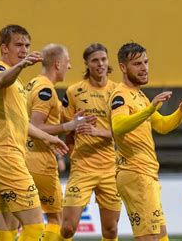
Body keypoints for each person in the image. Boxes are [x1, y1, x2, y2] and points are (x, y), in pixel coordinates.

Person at [0, 24, 68, 241]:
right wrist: (20, 65)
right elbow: (0, 80)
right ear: (4, 48)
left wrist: (50, 138)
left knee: (6, 230)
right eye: (18, 45)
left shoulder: (17, 84)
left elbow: (21, 123)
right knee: (35, 225)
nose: (24, 49)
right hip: (6, 158)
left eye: (27, 45)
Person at [110, 42, 182, 241]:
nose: (144, 68)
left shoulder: (139, 96)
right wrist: (150, 108)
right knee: (149, 237)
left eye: (146, 62)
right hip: (136, 174)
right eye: (137, 64)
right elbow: (118, 126)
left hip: (147, 174)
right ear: (123, 67)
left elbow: (162, 126)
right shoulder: (121, 95)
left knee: (161, 237)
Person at [25, 44, 94, 241]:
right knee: (58, 220)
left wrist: (66, 121)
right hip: (39, 163)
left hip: (24, 159)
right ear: (57, 64)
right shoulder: (46, 90)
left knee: (27, 222)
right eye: (67, 62)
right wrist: (70, 125)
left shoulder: (32, 84)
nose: (69, 66)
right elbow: (35, 126)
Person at [60, 43, 121, 241]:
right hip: (82, 168)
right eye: (95, 60)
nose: (100, 64)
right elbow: (67, 128)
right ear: (87, 63)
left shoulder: (118, 92)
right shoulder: (74, 92)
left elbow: (126, 132)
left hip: (110, 169)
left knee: (110, 230)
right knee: (68, 228)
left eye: (103, 59)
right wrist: (70, 154)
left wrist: (97, 131)